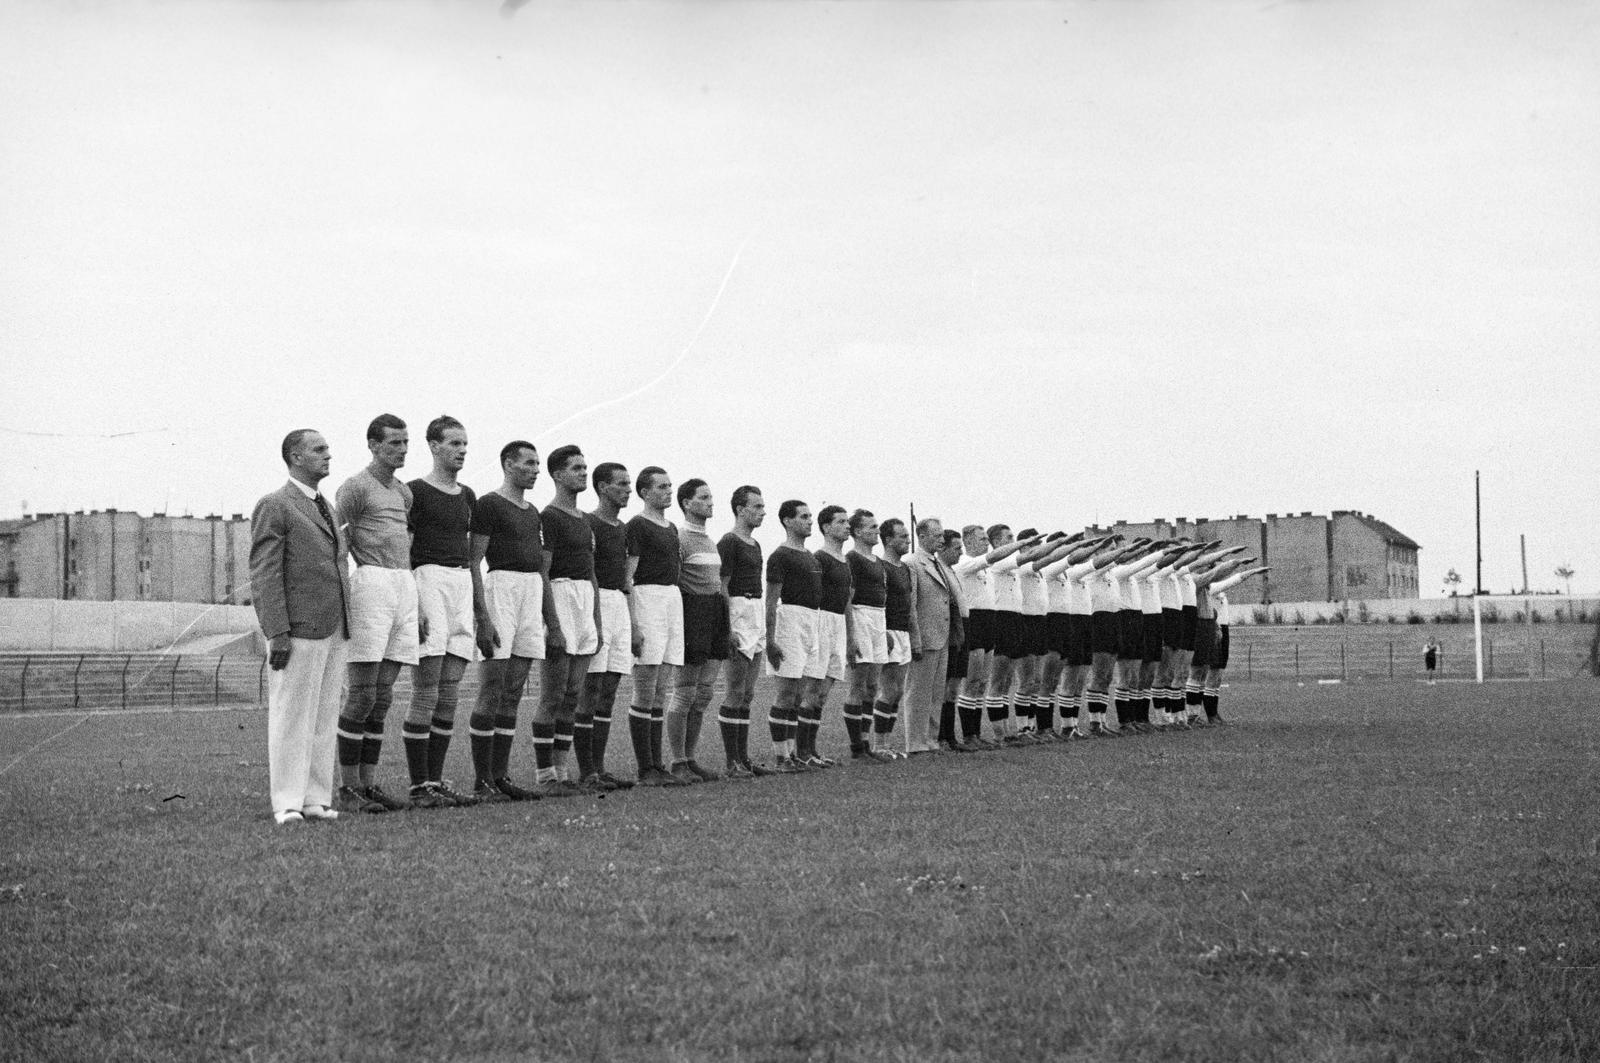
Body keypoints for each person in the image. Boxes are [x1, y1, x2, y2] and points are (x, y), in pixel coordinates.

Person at [250, 428, 351, 825]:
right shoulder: (275, 505)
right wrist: (276, 631)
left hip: (335, 625)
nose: (328, 455)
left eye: (328, 448)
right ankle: (288, 802)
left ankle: (315, 799)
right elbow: (265, 572)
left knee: (324, 718)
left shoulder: (328, 506)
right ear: (295, 456)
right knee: (293, 717)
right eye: (318, 449)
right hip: (298, 628)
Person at [331, 413, 416, 814]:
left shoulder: (403, 492)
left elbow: (404, 548)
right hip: (371, 584)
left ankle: (369, 785)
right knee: (362, 694)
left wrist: (415, 602)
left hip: (402, 586)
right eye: (394, 443)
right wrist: (344, 597)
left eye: (405, 442)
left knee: (382, 698)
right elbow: (338, 545)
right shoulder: (355, 487)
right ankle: (348, 789)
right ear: (373, 445)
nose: (402, 449)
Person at [401, 415, 482, 808]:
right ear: (434, 446)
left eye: (465, 444)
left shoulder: (468, 496)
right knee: (427, 689)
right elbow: (404, 550)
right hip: (427, 580)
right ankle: (419, 786)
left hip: (459, 583)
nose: (462, 450)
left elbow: (472, 554)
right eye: (454, 443)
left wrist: (479, 610)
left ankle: (435, 781)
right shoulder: (414, 491)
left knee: (450, 693)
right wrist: (414, 602)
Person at [464, 440, 548, 803]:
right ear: (508, 464)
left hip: (530, 591)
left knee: (514, 690)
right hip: (501, 588)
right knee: (492, 687)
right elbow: (473, 561)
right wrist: (482, 615)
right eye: (528, 463)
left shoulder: (533, 512)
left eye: (537, 464)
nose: (535, 470)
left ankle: (501, 777)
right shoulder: (488, 504)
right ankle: (482, 780)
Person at [532, 445, 603, 795]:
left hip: (584, 602)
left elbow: (591, 573)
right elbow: (543, 571)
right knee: (553, 694)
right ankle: (545, 775)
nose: (583, 473)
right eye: (576, 468)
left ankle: (562, 772)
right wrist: (554, 624)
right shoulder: (549, 517)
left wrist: (597, 621)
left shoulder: (585, 520)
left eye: (585, 467)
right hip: (561, 598)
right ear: (558, 475)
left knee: (573, 694)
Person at [626, 466, 687, 787]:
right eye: (661, 487)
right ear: (644, 492)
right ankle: (644, 767)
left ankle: (658, 764)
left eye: (669, 486)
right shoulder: (637, 525)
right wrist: (634, 623)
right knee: (646, 687)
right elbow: (628, 576)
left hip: (671, 600)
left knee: (661, 689)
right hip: (647, 598)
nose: (668, 491)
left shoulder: (672, 527)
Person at [665, 478, 729, 784]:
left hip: (715, 612)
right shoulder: (679, 538)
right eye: (703, 497)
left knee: (704, 693)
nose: (710, 502)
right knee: (685, 692)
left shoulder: (710, 540)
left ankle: (691, 760)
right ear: (687, 503)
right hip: (693, 613)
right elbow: (675, 581)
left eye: (710, 496)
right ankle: (678, 761)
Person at [578, 462, 636, 789]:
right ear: (602, 487)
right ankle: (586, 771)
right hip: (595, 602)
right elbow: (588, 571)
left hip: (619, 605)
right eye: (621, 484)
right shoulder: (589, 523)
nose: (628, 489)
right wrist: (594, 616)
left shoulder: (624, 528)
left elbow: (627, 577)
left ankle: (599, 768)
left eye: (629, 484)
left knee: (609, 691)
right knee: (590, 689)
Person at [715, 485, 771, 776]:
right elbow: (722, 586)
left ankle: (743, 758)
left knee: (748, 693)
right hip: (738, 610)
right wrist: (727, 627)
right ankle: (731, 762)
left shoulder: (755, 544)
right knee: (735, 690)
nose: (763, 512)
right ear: (740, 509)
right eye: (757, 506)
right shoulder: (729, 542)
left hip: (756, 610)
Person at [764, 500, 822, 772]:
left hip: (811, 622)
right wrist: (770, 639)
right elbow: (771, 600)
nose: (809, 521)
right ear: (787, 521)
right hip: (790, 621)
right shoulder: (780, 556)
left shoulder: (811, 556)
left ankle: (792, 754)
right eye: (803, 516)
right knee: (786, 693)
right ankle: (781, 758)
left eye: (810, 516)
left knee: (799, 695)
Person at [904, 517, 961, 755]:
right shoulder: (912, 563)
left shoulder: (938, 564)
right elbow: (911, 604)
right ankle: (916, 742)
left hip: (942, 636)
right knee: (918, 692)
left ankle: (930, 739)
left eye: (941, 535)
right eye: (937, 535)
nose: (941, 539)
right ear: (922, 536)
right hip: (925, 636)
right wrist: (915, 638)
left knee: (936, 693)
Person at [843, 509, 890, 763]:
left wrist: (885, 630)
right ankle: (856, 747)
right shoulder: (852, 559)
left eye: (877, 526)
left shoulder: (878, 562)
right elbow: (847, 599)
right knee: (858, 686)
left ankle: (865, 742)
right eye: (872, 527)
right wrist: (851, 635)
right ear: (858, 531)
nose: (877, 531)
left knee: (872, 687)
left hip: (879, 619)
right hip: (860, 617)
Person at [869, 517, 918, 759]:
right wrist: (884, 632)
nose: (908, 540)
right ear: (888, 540)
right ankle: (879, 745)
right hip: (888, 632)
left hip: (904, 633)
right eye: (903, 536)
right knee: (888, 690)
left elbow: (910, 606)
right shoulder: (881, 567)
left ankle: (887, 744)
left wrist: (914, 637)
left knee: (898, 691)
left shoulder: (905, 569)